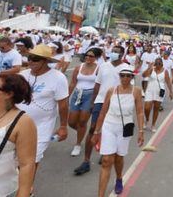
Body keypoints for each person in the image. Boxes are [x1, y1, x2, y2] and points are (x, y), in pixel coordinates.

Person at [17, 44, 69, 181]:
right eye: (30, 58)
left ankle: (27, 190)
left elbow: (63, 104)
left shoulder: (58, 78)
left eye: (36, 59)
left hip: (41, 127)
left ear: (46, 61)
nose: (31, 62)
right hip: (17, 125)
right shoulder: (22, 75)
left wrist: (63, 126)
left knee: (32, 160)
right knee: (15, 161)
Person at [92, 67, 145, 196]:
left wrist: (141, 131)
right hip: (109, 126)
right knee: (106, 161)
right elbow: (103, 112)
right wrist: (96, 132)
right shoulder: (111, 90)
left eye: (128, 76)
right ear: (119, 77)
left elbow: (139, 111)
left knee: (119, 158)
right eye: (123, 75)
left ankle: (119, 177)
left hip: (125, 128)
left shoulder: (136, 91)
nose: (125, 78)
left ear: (132, 77)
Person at [74, 46, 123, 176]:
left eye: (117, 52)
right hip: (100, 101)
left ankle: (105, 152)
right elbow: (97, 85)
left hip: (116, 103)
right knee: (93, 129)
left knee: (109, 129)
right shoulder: (104, 66)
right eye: (113, 51)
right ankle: (86, 161)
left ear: (122, 55)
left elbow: (128, 88)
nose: (113, 53)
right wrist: (92, 101)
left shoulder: (126, 68)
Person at [67, 48, 100, 157]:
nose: (88, 58)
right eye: (87, 55)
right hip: (77, 94)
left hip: (90, 95)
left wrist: (95, 100)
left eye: (91, 56)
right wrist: (67, 97)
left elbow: (99, 85)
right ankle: (82, 133)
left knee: (82, 121)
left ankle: (78, 144)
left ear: (96, 58)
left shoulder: (98, 69)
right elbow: (72, 83)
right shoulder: (78, 67)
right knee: (71, 121)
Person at [142, 57, 173, 131]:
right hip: (150, 90)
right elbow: (144, 75)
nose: (158, 65)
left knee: (156, 108)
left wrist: (171, 92)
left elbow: (168, 82)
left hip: (159, 91)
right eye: (156, 63)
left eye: (159, 63)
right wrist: (149, 67)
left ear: (162, 64)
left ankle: (153, 125)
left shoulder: (165, 71)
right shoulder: (151, 69)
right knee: (147, 108)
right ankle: (147, 120)